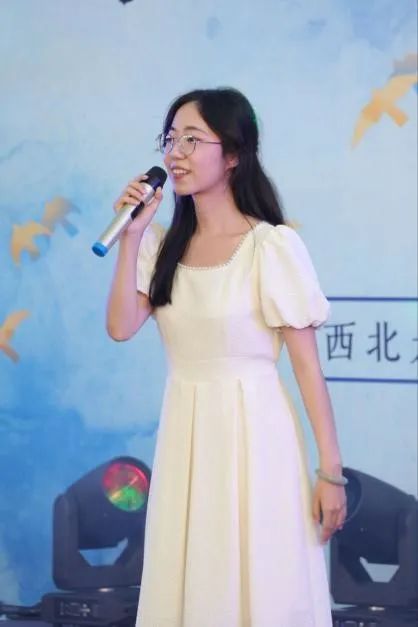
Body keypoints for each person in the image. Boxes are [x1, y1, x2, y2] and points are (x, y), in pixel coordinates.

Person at [106, 87, 347, 627]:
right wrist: (131, 236)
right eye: (171, 139)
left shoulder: (270, 246)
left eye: (193, 140)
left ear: (233, 154)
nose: (176, 153)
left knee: (262, 583)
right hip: (186, 437)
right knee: (194, 582)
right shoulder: (160, 246)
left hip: (258, 439)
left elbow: (307, 368)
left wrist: (331, 473)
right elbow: (121, 327)